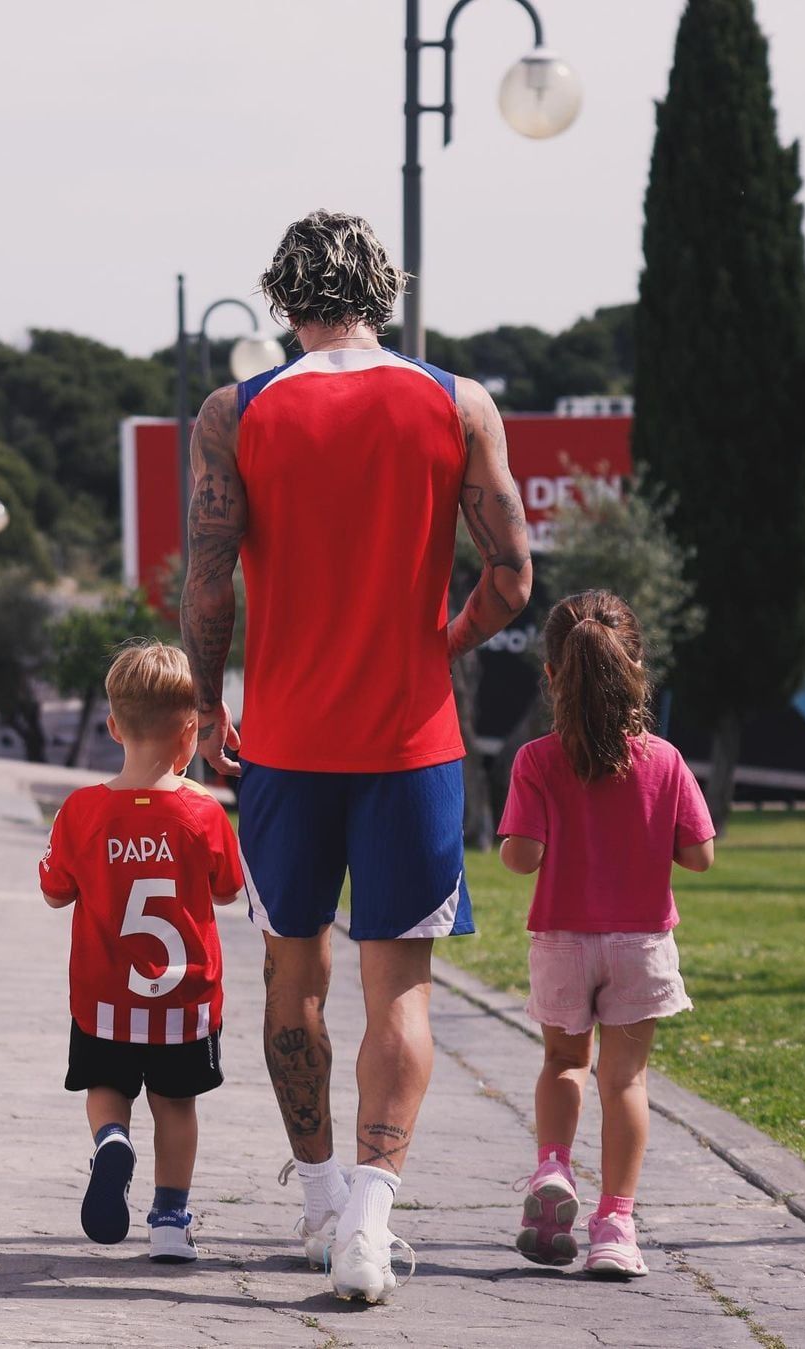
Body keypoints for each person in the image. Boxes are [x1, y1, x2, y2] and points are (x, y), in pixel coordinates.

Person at [180, 209, 531, 1302]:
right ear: (387, 293)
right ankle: (373, 1226)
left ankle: (323, 1198)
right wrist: (442, 642)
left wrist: (205, 698)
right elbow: (513, 576)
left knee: (294, 977)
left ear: (281, 301)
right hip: (414, 742)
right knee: (403, 994)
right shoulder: (457, 402)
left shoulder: (235, 411)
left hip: (283, 743)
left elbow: (207, 580)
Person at [499, 590, 715, 1277]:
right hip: (641, 943)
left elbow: (522, 855)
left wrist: (522, 840)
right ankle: (615, 1224)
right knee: (625, 1080)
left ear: (552, 674)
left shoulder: (536, 759)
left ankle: (553, 1168)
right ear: (636, 669)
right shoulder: (666, 760)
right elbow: (699, 854)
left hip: (563, 939)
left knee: (565, 1062)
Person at [40, 641, 244, 1262]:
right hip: (183, 1004)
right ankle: (169, 1221)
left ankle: (110, 1142)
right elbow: (230, 889)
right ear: (190, 731)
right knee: (175, 1106)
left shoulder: (81, 811)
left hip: (103, 1000)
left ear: (112, 725)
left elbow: (54, 893)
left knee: (106, 1085)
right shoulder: (204, 814)